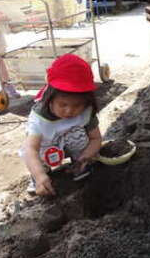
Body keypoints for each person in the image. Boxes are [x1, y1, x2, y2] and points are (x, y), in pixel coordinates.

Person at [21, 54, 102, 196]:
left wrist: (86, 156)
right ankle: (41, 175)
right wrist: (39, 176)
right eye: (63, 105)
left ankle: (78, 164)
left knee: (79, 136)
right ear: (50, 98)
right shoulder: (40, 119)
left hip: (71, 145)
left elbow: (96, 138)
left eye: (77, 105)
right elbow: (30, 149)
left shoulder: (86, 111)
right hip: (47, 146)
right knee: (38, 155)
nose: (70, 111)